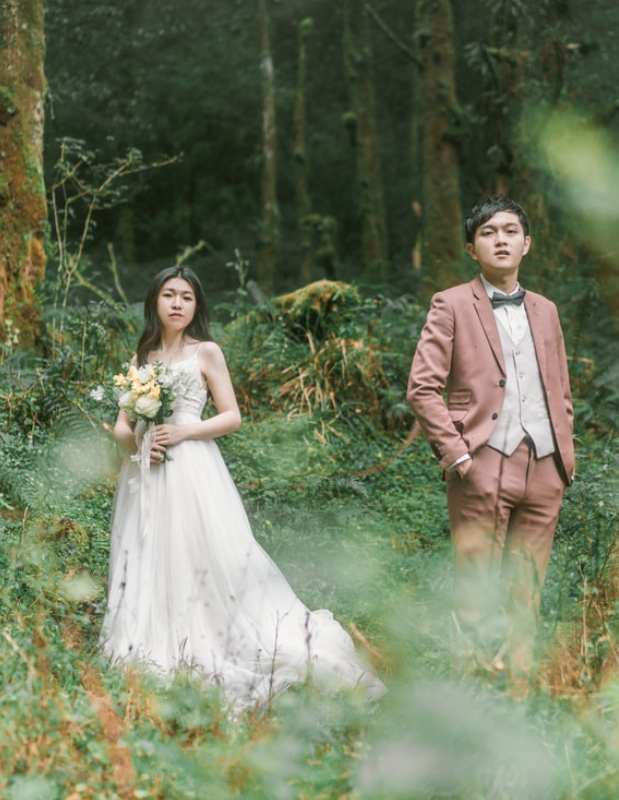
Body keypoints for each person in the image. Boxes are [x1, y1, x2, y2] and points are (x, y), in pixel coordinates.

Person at [101, 266, 384, 708]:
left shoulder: (206, 352)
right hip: (148, 468)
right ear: (154, 301)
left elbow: (231, 416)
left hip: (192, 465)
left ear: (197, 306)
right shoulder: (141, 359)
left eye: (187, 297)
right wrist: (141, 440)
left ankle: (213, 633)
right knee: (149, 551)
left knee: (207, 551)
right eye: (169, 295)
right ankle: (154, 637)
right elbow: (122, 426)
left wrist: (183, 433)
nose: (177, 304)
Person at [407, 195, 575, 683]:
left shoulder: (546, 310)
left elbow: (561, 389)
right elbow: (422, 386)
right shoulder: (452, 303)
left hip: (545, 467)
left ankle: (520, 691)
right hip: (480, 463)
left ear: (527, 244)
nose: (499, 239)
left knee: (528, 588)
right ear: (471, 247)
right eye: (487, 233)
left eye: (509, 231)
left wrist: (564, 457)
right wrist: (457, 453)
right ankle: (475, 690)